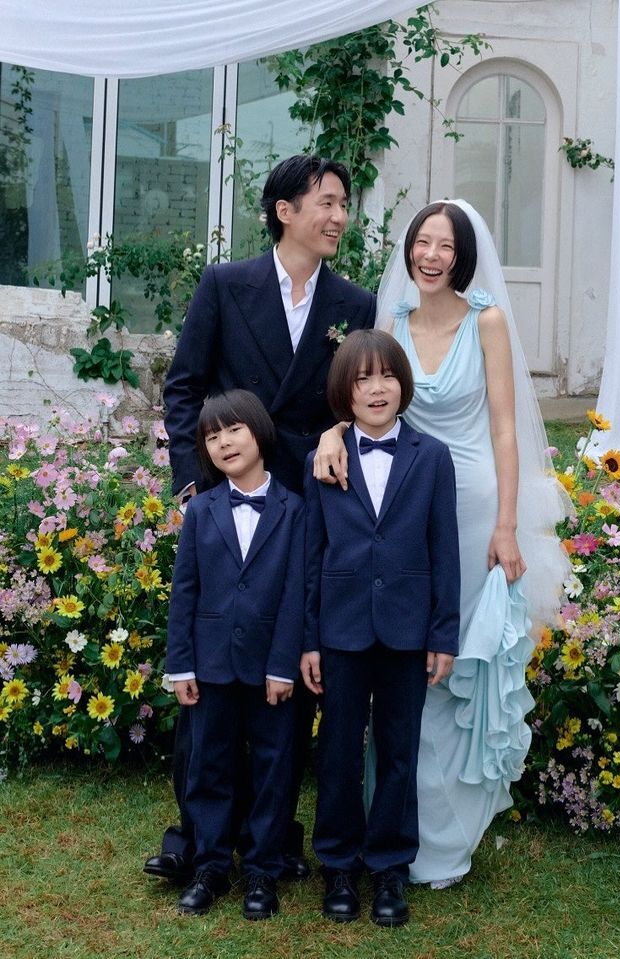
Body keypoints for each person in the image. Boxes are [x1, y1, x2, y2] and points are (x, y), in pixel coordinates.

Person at [314, 200, 570, 888]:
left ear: (462, 256)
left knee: (452, 661)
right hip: (401, 504)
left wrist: (507, 523)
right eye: (422, 243)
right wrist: (331, 433)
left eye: (445, 246)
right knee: (401, 653)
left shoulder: (486, 321)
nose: (431, 256)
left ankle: (445, 834)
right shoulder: (390, 321)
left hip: (475, 505)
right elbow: (362, 395)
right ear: (409, 251)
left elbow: (505, 427)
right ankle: (391, 827)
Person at [145, 155, 375, 885]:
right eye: (327, 202)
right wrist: (193, 484)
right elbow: (184, 388)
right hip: (222, 500)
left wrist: (337, 431)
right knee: (213, 670)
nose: (338, 216)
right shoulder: (225, 284)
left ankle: (272, 834)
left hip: (304, 506)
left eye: (344, 204)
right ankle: (195, 834)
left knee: (289, 664)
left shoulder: (354, 302)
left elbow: (354, 398)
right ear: (285, 210)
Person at [302, 329, 461, 926]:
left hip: (406, 629)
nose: (376, 388)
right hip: (340, 629)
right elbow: (311, 555)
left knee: (399, 749)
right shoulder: (323, 457)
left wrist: (442, 633)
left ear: (403, 385)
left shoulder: (432, 457)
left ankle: (390, 867)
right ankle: (338, 864)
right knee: (339, 749)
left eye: (387, 376)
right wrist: (308, 640)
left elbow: (444, 550)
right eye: (363, 378)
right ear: (345, 391)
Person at [165, 390, 305, 918]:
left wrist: (283, 665)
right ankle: (211, 866)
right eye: (211, 435)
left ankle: (263, 870)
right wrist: (181, 664)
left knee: (273, 768)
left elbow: (295, 594)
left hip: (270, 669)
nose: (223, 442)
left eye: (233, 429)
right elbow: (185, 592)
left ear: (259, 432)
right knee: (209, 766)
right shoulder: (201, 510)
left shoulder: (294, 510)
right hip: (211, 666)